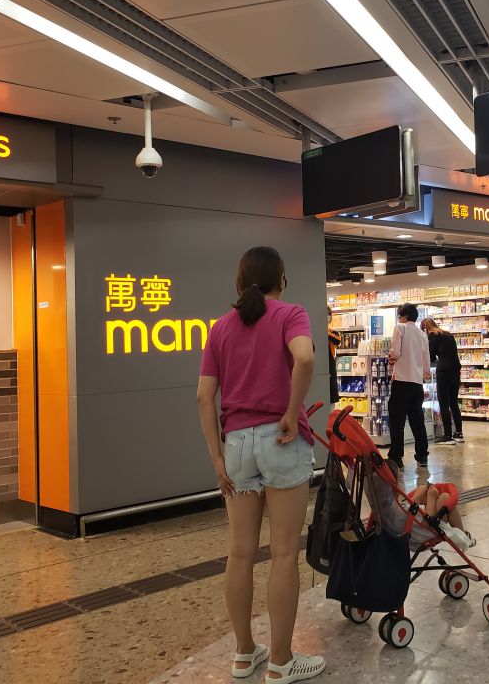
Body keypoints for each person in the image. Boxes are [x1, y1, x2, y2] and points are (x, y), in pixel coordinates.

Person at [196, 246, 325, 684]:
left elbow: (203, 397)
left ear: (239, 281)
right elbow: (304, 358)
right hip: (280, 440)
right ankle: (281, 661)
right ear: (281, 280)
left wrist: (217, 458)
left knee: (240, 552)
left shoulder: (221, 328)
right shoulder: (290, 314)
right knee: (284, 552)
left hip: (236, 444)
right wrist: (291, 410)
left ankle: (244, 653)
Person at [369, 459, 476, 552]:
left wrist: (418, 497)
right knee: (445, 497)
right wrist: (431, 497)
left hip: (407, 532)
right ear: (393, 486)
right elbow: (428, 521)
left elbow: (405, 512)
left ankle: (463, 535)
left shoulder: (384, 507)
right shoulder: (400, 511)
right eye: (399, 480)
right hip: (423, 534)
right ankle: (464, 537)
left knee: (421, 490)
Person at [388, 303, 432, 470]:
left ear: (404, 316)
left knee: (397, 421)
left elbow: (396, 352)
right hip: (417, 383)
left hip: (402, 381)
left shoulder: (400, 328)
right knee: (417, 420)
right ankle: (422, 455)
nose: (399, 319)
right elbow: (426, 363)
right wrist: (423, 374)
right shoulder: (422, 335)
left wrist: (391, 357)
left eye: (400, 316)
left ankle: (396, 457)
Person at [421, 317, 464, 444]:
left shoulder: (433, 336)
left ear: (425, 328)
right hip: (455, 370)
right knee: (454, 403)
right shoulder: (448, 335)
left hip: (444, 372)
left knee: (444, 404)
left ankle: (447, 435)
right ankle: (459, 433)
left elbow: (430, 357)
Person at [327, 307, 341, 406]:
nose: (327, 317)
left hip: (330, 365)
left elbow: (337, 340)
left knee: (332, 394)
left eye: (329, 314)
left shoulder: (333, 333)